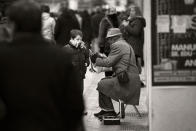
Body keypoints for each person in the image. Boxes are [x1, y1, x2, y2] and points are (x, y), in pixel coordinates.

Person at [0, 1, 84, 131]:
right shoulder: (60, 57)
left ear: (11, 25)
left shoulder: (4, 56)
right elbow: (75, 105)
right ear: (39, 24)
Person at [91, 28, 141, 118]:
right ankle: (105, 109)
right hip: (130, 79)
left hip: (128, 81)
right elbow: (115, 62)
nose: (108, 41)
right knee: (104, 81)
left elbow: (109, 62)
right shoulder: (125, 44)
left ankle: (109, 111)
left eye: (109, 39)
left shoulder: (118, 45)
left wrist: (96, 59)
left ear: (115, 38)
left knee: (102, 83)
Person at [120, 4, 146, 75]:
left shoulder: (138, 21)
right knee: (132, 66)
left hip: (135, 47)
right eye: (130, 10)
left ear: (137, 12)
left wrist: (127, 26)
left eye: (133, 11)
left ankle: (136, 81)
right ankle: (135, 81)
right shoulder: (132, 20)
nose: (131, 12)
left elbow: (135, 32)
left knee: (134, 66)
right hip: (131, 46)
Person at [64, 29, 90, 94]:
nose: (79, 41)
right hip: (71, 77)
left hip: (81, 75)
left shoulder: (82, 48)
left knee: (80, 91)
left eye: (81, 40)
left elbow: (87, 56)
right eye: (77, 39)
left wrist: (87, 62)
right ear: (71, 39)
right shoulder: (66, 49)